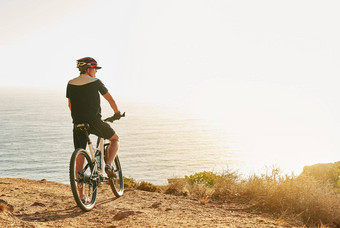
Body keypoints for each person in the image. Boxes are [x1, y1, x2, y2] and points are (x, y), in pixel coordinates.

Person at [66, 57, 121, 180]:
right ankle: (109, 166)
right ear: (88, 69)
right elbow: (110, 99)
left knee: (79, 154)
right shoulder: (96, 82)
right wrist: (117, 113)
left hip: (78, 123)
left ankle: (81, 196)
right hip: (95, 122)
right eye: (95, 69)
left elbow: (70, 104)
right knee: (115, 139)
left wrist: (79, 116)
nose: (96, 71)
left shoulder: (70, 83)